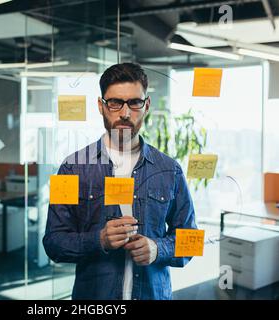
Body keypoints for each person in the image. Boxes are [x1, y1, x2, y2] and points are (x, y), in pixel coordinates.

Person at [43, 63, 197, 300]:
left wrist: (157, 249)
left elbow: (190, 241)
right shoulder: (71, 168)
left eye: (134, 102)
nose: (125, 113)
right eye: (115, 102)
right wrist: (99, 239)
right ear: (100, 106)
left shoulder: (170, 170)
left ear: (146, 105)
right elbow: (54, 242)